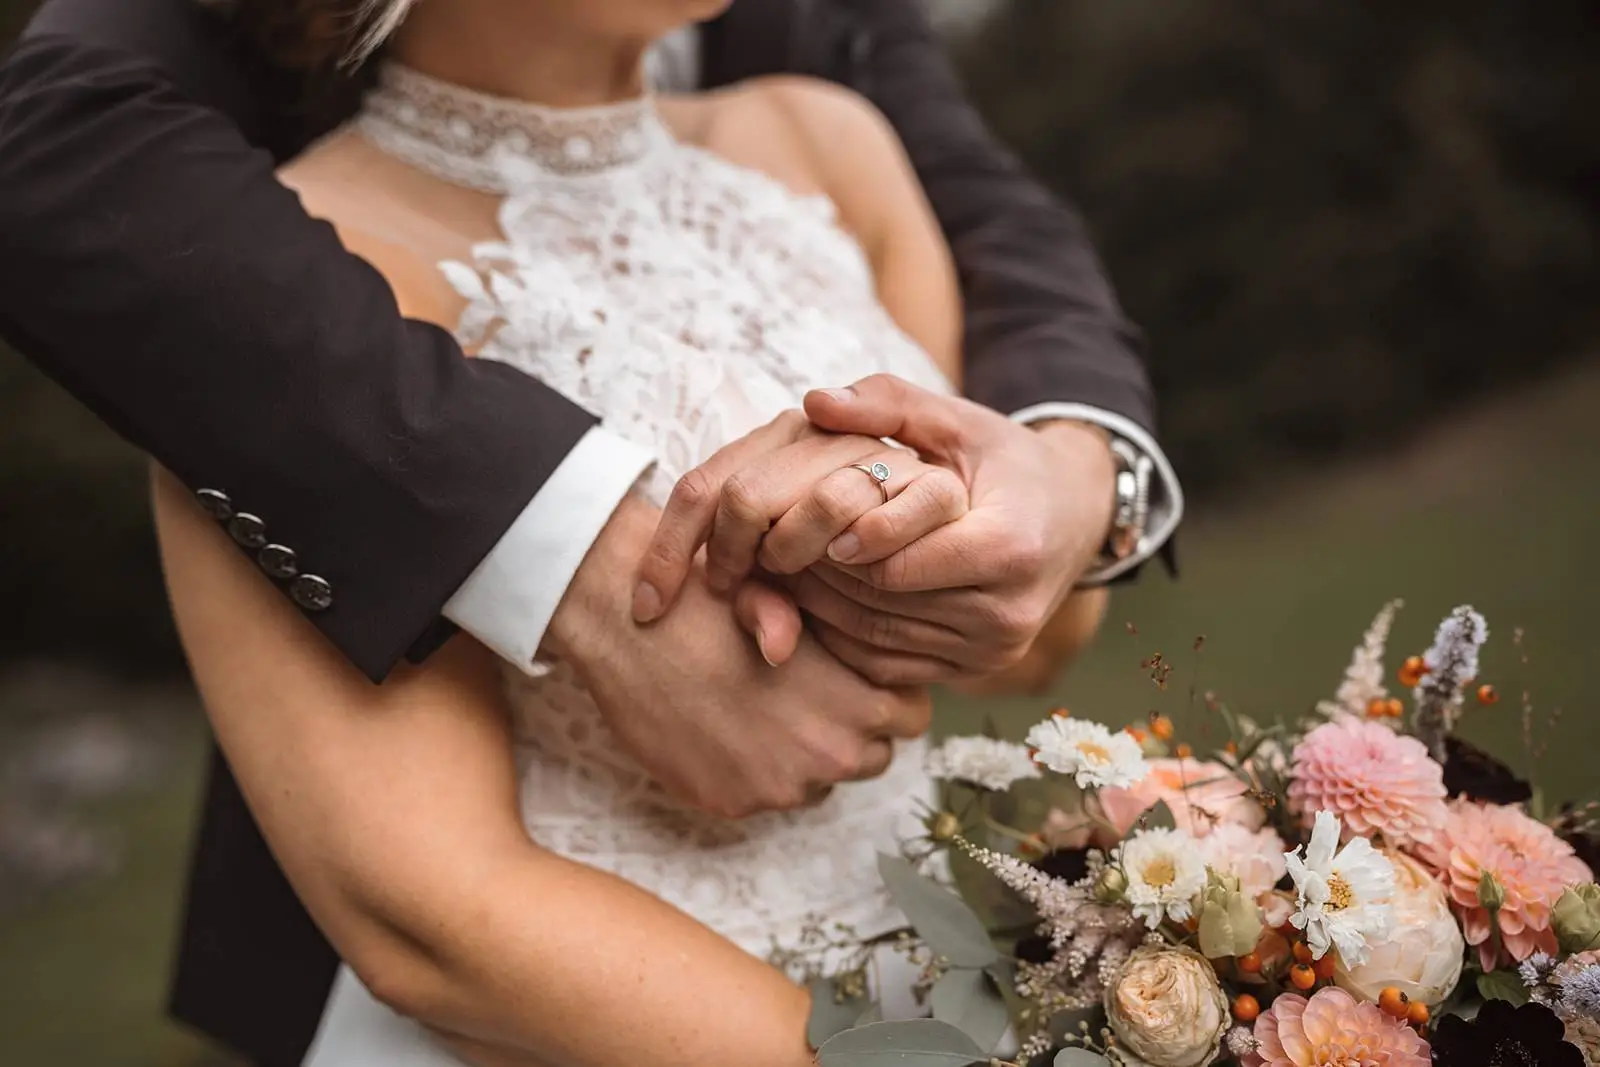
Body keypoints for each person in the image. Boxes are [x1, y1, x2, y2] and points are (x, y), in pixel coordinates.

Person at [0, 0, 1181, 1063]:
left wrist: (899, 518)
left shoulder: (831, 141)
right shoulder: (278, 300)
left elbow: (1036, 642)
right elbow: (435, 916)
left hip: (951, 975)